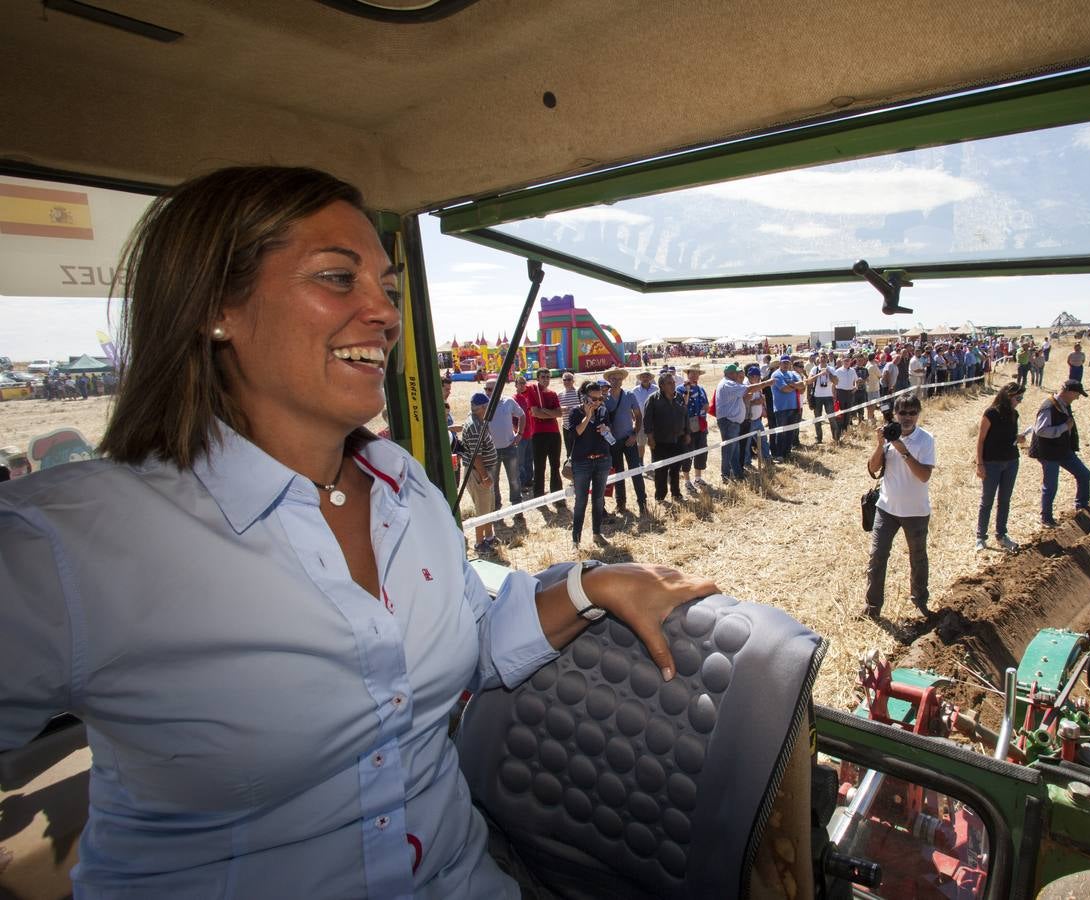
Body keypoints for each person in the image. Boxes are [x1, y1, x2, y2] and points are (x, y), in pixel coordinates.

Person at [0, 166, 715, 898]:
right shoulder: (74, 540)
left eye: (390, 289)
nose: (382, 312)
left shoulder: (404, 488)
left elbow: (469, 637)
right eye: (338, 278)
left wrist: (592, 584)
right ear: (217, 308)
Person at [862, 396, 936, 619]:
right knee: (877, 557)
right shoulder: (887, 436)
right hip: (886, 508)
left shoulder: (926, 440)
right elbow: (873, 468)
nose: (907, 417)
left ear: (918, 414)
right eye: (903, 412)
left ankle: (920, 600)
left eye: (912, 412)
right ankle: (872, 607)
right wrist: (879, 445)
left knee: (918, 557)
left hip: (915, 511)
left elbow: (924, 476)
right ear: (895, 413)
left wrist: (902, 450)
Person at [1029, 380, 1090, 526]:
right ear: (1069, 392)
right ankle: (1046, 518)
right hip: (1049, 453)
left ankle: (1082, 506)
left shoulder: (1064, 405)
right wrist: (1064, 427)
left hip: (1063, 450)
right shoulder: (1049, 407)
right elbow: (1041, 430)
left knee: (1084, 474)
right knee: (1050, 486)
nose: (1077, 398)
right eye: (1077, 394)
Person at [975, 382, 1028, 551]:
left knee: (1004, 500)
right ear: (1008, 396)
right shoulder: (990, 413)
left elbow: (1009, 436)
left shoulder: (1014, 414)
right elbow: (981, 440)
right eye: (1018, 397)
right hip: (991, 463)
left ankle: (1001, 535)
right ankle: (981, 537)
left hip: (1011, 461)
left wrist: (1018, 438)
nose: (1019, 401)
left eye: (1021, 398)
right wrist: (980, 464)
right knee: (987, 501)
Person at [566, 379, 616, 548]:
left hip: (602, 460)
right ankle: (576, 540)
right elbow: (576, 433)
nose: (597, 402)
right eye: (593, 399)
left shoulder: (603, 410)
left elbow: (609, 431)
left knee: (598, 499)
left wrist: (606, 430)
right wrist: (587, 416)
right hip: (582, 462)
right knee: (581, 501)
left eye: (600, 398)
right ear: (585, 398)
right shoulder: (575, 412)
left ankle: (597, 533)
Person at [602, 366, 647, 515]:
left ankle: (642, 503)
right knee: (618, 474)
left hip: (629, 440)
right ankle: (620, 504)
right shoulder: (603, 399)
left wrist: (635, 434)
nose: (615, 381)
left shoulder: (629, 395)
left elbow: (638, 416)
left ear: (622, 380)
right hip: (613, 443)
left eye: (618, 378)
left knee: (636, 471)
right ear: (608, 380)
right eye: (613, 378)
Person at [482, 377, 526, 523]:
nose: (487, 392)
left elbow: (522, 415)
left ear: (498, 389)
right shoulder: (483, 405)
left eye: (490, 389)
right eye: (486, 389)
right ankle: (496, 510)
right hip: (491, 451)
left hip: (509, 448)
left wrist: (519, 434)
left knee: (514, 480)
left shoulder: (508, 402)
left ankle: (517, 509)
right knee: (493, 482)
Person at [461, 392, 500, 554]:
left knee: (488, 506)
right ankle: (479, 543)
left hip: (482, 472)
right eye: (487, 406)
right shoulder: (475, 426)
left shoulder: (478, 421)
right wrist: (484, 476)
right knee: (482, 510)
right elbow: (477, 456)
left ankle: (489, 537)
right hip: (478, 474)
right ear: (482, 408)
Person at [643, 372, 691, 501]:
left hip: (678, 440)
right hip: (660, 442)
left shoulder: (679, 397)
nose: (673, 385)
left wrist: (687, 433)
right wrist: (650, 438)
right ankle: (660, 496)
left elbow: (685, 415)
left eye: (674, 382)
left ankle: (676, 493)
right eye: (669, 383)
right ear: (661, 386)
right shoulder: (653, 399)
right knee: (661, 471)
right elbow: (647, 420)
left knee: (676, 469)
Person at [528, 369, 564, 501]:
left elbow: (559, 414)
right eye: (543, 377)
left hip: (554, 433)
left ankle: (557, 496)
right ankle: (538, 497)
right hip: (538, 434)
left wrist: (545, 411)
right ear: (538, 378)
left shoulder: (553, 394)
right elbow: (535, 412)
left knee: (555, 465)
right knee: (539, 467)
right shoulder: (532, 392)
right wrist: (550, 413)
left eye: (548, 377)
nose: (546, 379)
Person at [676, 366, 710, 489]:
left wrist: (704, 408)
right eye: (693, 373)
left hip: (700, 425)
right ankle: (687, 481)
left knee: (701, 452)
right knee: (687, 453)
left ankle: (698, 478)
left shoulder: (701, 389)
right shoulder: (680, 389)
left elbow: (706, 404)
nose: (695, 376)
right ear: (688, 374)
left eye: (697, 373)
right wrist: (687, 391)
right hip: (687, 427)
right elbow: (681, 405)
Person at [770, 355, 803, 461]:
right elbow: (784, 389)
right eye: (784, 362)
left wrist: (792, 384)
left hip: (793, 407)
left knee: (790, 432)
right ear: (780, 363)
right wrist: (795, 386)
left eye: (787, 363)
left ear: (790, 364)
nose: (785, 364)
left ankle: (787, 452)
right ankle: (779, 454)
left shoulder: (792, 373)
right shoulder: (776, 374)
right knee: (781, 432)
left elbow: (802, 385)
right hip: (781, 408)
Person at [512, 371, 536, 493]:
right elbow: (511, 418)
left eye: (524, 383)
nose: (522, 385)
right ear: (515, 385)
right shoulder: (513, 399)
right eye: (520, 383)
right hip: (520, 435)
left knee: (529, 459)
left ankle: (528, 481)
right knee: (520, 461)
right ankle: (521, 484)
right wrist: (517, 431)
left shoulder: (526, 398)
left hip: (529, 434)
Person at [630, 369, 659, 468]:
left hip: (654, 421)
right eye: (643, 376)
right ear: (640, 378)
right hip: (640, 421)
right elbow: (631, 405)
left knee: (653, 442)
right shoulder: (635, 390)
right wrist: (632, 416)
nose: (645, 378)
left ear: (650, 378)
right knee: (640, 443)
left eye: (647, 376)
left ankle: (654, 461)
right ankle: (640, 462)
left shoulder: (656, 389)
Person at [808, 354, 837, 442]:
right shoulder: (814, 369)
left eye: (825, 357)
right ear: (819, 359)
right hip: (817, 397)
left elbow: (836, 382)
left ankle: (835, 438)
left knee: (831, 418)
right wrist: (819, 374)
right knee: (817, 418)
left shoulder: (831, 368)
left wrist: (829, 373)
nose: (823, 359)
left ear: (827, 358)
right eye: (822, 357)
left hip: (828, 396)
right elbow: (809, 381)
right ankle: (819, 438)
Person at [558, 370, 581, 458]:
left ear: (573, 381)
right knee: (569, 452)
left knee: (580, 450)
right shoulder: (559, 394)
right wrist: (562, 409)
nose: (567, 381)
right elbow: (556, 410)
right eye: (565, 380)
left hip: (579, 426)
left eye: (569, 379)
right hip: (566, 427)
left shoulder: (579, 392)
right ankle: (570, 470)